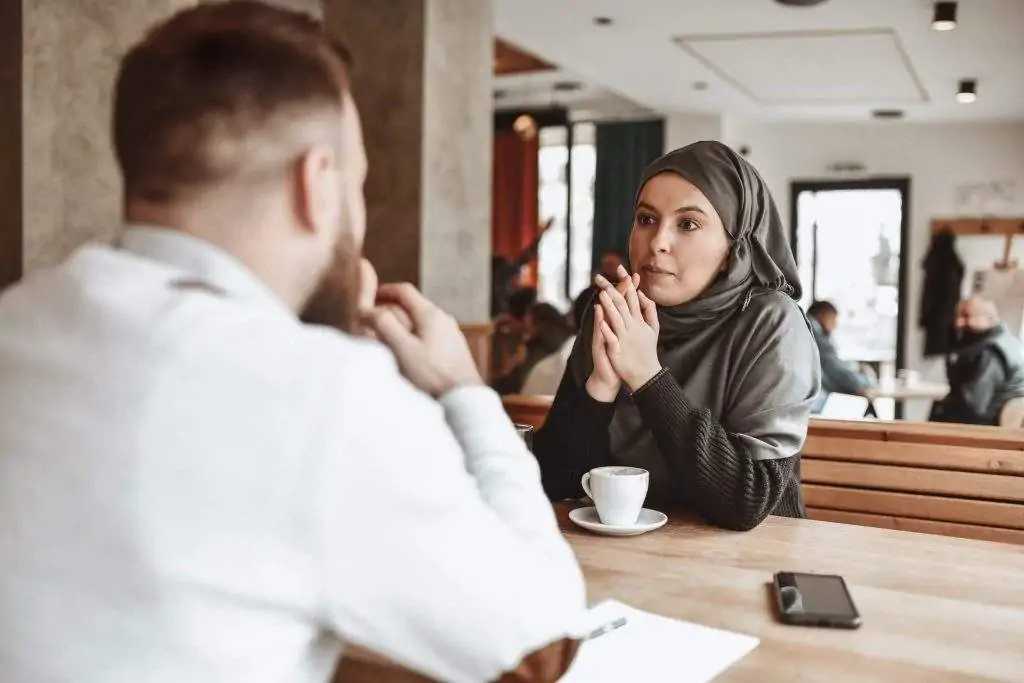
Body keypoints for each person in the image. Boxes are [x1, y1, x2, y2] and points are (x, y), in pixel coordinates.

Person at [0, 3, 585, 682]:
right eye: (358, 181)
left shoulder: (19, 318)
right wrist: (465, 391)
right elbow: (542, 638)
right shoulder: (325, 395)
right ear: (317, 185)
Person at [533, 141, 821, 532]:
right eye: (646, 219)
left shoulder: (771, 323)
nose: (657, 242)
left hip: (751, 565)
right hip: (629, 560)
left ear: (733, 246)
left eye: (687, 224)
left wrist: (647, 377)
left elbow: (747, 502)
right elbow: (555, 482)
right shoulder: (617, 310)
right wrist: (600, 386)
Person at [930, 297, 1024, 425]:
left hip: (985, 429)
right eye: (958, 317)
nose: (959, 323)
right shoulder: (1006, 341)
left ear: (989, 318)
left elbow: (975, 405)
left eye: (967, 316)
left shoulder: (991, 352)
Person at [806, 300, 878, 414]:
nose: (835, 325)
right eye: (833, 319)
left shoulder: (803, 329)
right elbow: (841, 375)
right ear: (822, 315)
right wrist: (868, 378)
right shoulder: (818, 338)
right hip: (812, 408)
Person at [494, 302, 572, 395]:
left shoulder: (538, 350)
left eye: (528, 316)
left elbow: (516, 383)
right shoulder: (566, 341)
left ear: (539, 323)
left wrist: (511, 367)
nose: (525, 320)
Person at [574, 251, 625, 329]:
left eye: (611, 265)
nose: (607, 268)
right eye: (605, 264)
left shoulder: (628, 294)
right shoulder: (587, 294)